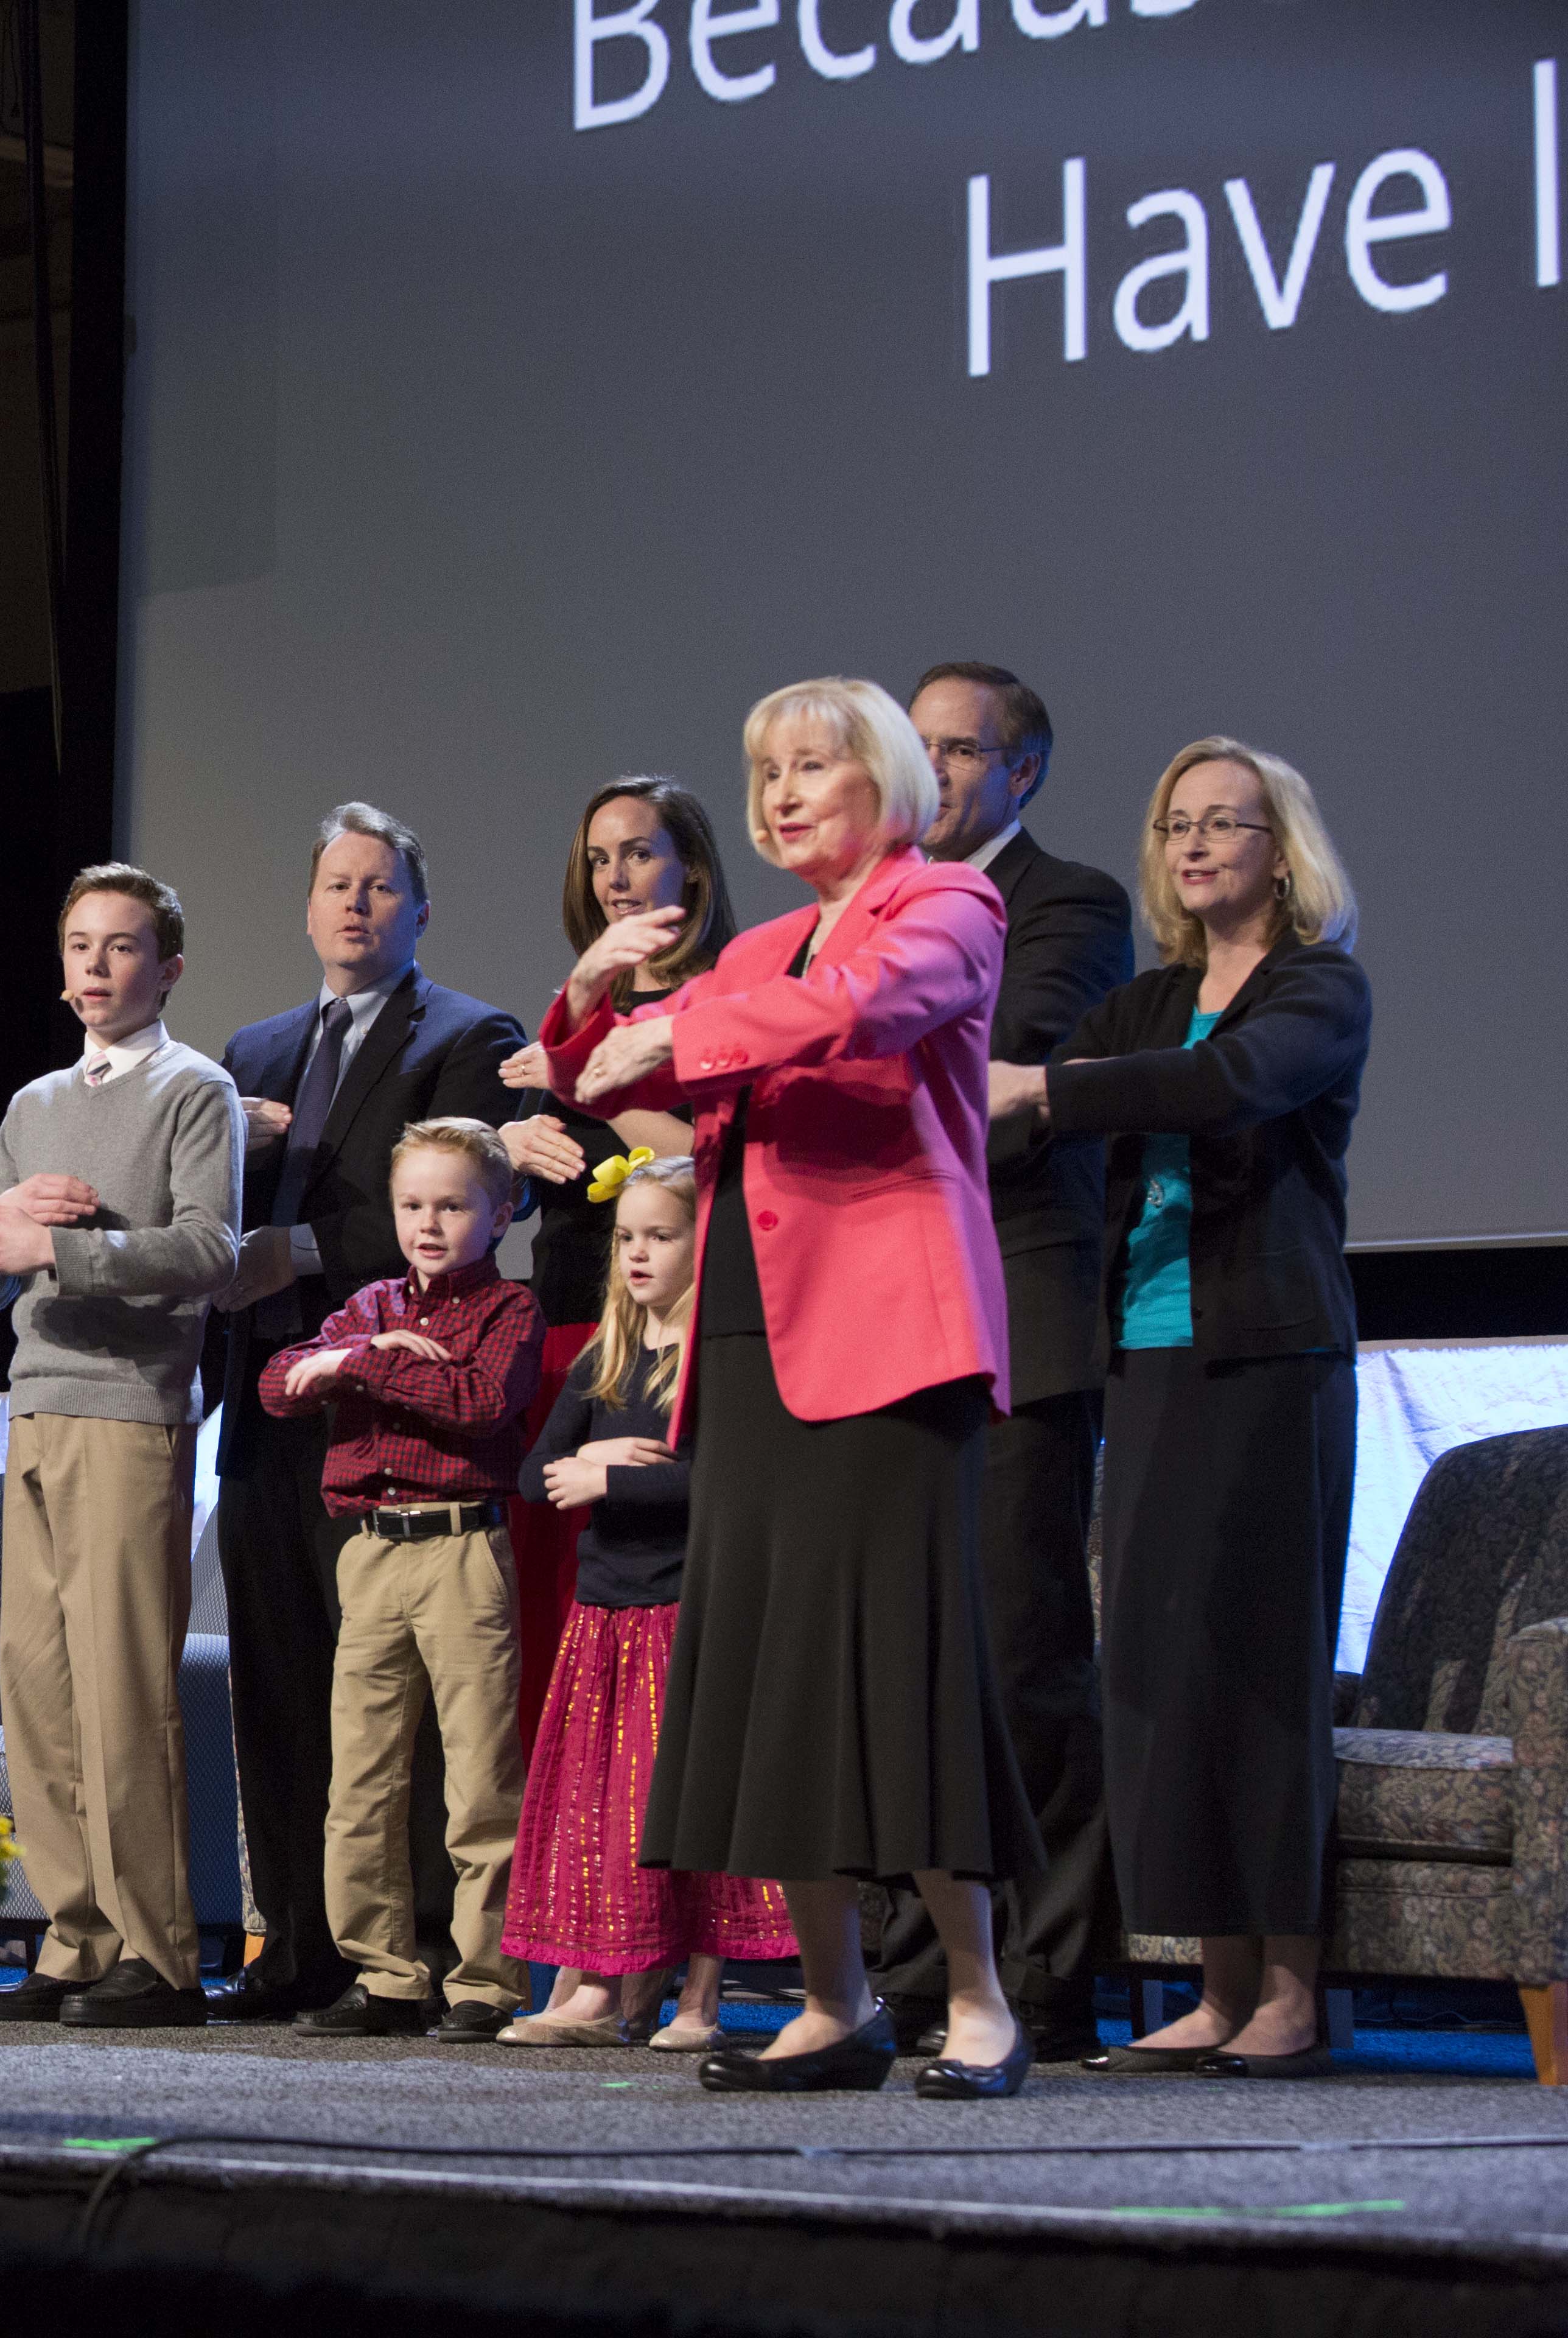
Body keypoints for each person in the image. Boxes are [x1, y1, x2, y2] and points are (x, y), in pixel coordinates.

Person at [541, 675, 1043, 2101]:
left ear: (878, 779)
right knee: (768, 1673)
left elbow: (865, 1011)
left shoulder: (943, 903)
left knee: (897, 1666)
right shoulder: (761, 939)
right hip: (751, 1345)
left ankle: (974, 1997)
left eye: (808, 766)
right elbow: (609, 1077)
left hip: (890, 1341)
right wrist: (584, 1005)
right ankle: (831, 2000)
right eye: (763, 769)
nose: (777, 793)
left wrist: (678, 1034)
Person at [990, 737, 1367, 2079]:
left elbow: (1228, 1088)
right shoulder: (1143, 1002)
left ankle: (1289, 1993)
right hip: (1144, 1367)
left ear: (1281, 848)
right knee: (1158, 1674)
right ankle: (1212, 1986)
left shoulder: (1317, 988)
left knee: (1258, 1674)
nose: (1197, 845)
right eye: (1178, 826)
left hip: (1269, 1364)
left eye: (1226, 824)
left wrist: (1048, 1089)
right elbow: (1015, 1110)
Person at [209, 806, 526, 2024]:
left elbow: (453, 1208)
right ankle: (296, 1945)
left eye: (382, 888)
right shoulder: (251, 1047)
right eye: (338, 885)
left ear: (418, 911)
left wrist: (288, 1252)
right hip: (268, 1403)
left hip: (405, 1420)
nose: (356, 905)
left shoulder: (466, 1036)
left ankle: (437, 1964)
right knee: (283, 1690)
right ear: (307, 908)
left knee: (424, 1715)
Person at [866, 663, 1134, 2063]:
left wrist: (834, 1055)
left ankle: (1045, 1968)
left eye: (960, 750)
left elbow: (1000, 1066)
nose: (933, 771)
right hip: (882, 1321)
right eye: (915, 748)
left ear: (1019, 771)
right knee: (908, 1658)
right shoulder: (869, 904)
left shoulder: (1067, 902)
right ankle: (917, 1964)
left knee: (1021, 1651)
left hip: (1013, 1310)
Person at [0, 866, 243, 2032]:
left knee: (125, 1692)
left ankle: (160, 1956)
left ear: (165, 968)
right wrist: (11, 1236)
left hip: (131, 1406)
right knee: (40, 1688)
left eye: (122, 948)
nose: (96, 968)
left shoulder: (195, 1088)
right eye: (81, 945)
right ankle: (72, 1938)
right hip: (33, 1401)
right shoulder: (32, 1104)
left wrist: (70, 1246)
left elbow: (209, 1251)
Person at [496, 1156, 795, 2050]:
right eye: (626, 1238)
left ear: (705, 1245)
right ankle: (589, 1987)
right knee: (597, 1807)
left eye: (660, 1237)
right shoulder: (607, 1355)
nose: (637, 1255)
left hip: (685, 1613)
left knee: (684, 1802)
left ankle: (697, 1999)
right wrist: (609, 1466)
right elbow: (532, 1472)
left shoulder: (721, 1359)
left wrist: (612, 1479)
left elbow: (731, 1484)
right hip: (604, 1615)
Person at [256, 1117, 541, 2039]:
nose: (429, 1223)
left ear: (499, 1216)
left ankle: (485, 1981)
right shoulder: (373, 1304)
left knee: (478, 1778)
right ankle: (385, 1975)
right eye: (413, 1205)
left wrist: (359, 1371)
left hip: (463, 1551)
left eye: (453, 1206)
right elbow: (275, 1384)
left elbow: (479, 1401)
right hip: (372, 1552)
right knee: (363, 1777)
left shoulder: (510, 1312)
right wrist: (357, 1357)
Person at [495, 778, 735, 1752]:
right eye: (599, 858)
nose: (615, 877)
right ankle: (572, 1860)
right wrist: (502, 1151)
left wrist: (582, 1080)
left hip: (680, 1341)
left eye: (638, 852)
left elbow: (713, 1160)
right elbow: (505, 1199)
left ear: (693, 869)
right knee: (557, 1614)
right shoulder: (574, 1009)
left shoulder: (720, 998)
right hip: (569, 1329)